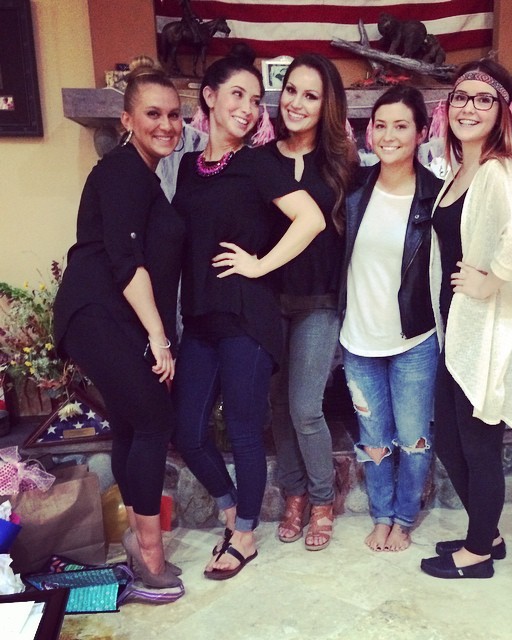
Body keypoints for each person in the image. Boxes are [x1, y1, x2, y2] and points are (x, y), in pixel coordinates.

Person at [171, 46, 326, 580]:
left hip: (247, 318)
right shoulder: (188, 167)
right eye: (237, 95)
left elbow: (311, 220)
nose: (248, 108)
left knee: (241, 429)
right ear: (209, 98)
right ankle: (232, 509)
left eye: (256, 100)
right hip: (200, 318)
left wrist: (259, 265)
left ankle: (244, 537)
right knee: (189, 432)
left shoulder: (258, 164)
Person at [53, 61, 185, 591]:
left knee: (133, 424)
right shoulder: (123, 170)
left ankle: (137, 538)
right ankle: (150, 554)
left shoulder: (142, 176)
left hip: (110, 315)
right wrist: (159, 337)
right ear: (127, 119)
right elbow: (127, 261)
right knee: (154, 419)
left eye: (174, 115)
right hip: (97, 312)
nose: (166, 125)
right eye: (153, 114)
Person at [420, 59, 512, 579]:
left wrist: (491, 281)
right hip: (458, 330)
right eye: (461, 97)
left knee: (477, 444)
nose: (469, 108)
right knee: (451, 441)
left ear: (501, 112)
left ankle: (479, 555)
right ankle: (485, 533)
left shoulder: (496, 170)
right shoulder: (459, 172)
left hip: (485, 331)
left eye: (483, 99)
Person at [339, 85, 442, 552]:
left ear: (421, 132)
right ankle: (381, 515)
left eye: (401, 126)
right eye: (380, 125)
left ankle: (404, 518)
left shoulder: (435, 196)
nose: (388, 135)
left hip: (414, 340)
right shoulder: (353, 188)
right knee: (374, 438)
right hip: (358, 339)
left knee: (414, 437)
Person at [264, 54, 357, 551]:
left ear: (327, 105)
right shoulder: (262, 159)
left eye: (311, 95)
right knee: (278, 405)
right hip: (269, 300)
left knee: (304, 406)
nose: (297, 102)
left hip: (319, 302)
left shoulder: (342, 164)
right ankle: (294, 495)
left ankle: (322, 499)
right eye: (291, 91)